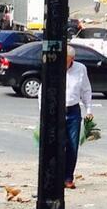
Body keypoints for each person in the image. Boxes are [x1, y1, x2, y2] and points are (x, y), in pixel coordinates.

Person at [38, 45, 93, 189]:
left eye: (67, 61)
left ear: (72, 59)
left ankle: (68, 177)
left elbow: (86, 90)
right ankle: (53, 176)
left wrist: (89, 110)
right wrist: (42, 112)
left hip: (73, 111)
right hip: (56, 110)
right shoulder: (53, 68)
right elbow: (42, 91)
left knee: (72, 145)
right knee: (55, 144)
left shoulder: (80, 69)